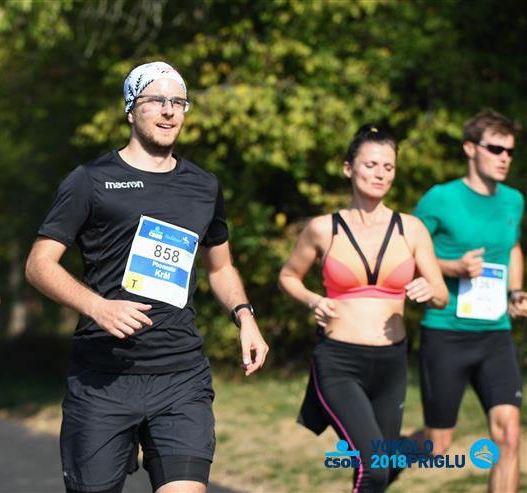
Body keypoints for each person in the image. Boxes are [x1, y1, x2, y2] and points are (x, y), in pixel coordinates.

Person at [26, 61, 269, 493]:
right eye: (156, 100)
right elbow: (39, 264)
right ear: (130, 109)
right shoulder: (90, 180)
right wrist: (97, 306)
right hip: (104, 378)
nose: (169, 110)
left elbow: (220, 266)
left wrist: (245, 317)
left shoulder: (204, 186)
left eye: (178, 101)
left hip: (181, 376)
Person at [279, 124, 448, 492]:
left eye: (388, 167)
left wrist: (429, 289)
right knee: (373, 468)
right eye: (371, 165)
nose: (380, 174)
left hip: (391, 363)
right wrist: (314, 300)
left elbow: (441, 294)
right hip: (339, 362)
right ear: (348, 168)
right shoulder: (323, 229)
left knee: (381, 468)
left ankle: (409, 451)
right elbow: (289, 276)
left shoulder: (412, 229)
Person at [412, 110, 524, 492]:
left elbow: (513, 248)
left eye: (510, 151)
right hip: (446, 332)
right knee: (437, 446)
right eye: (496, 149)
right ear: (470, 148)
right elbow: (405, 251)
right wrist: (451, 267)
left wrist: (516, 292)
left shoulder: (513, 200)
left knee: (509, 434)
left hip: (495, 334)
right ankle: (375, 466)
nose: (505, 158)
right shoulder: (440, 198)